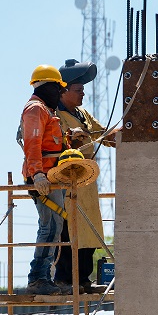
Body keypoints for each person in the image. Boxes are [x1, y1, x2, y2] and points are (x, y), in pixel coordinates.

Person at [53, 59, 117, 294]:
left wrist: (126, 129)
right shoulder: (55, 116)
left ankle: (83, 279)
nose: (83, 94)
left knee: (89, 230)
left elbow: (104, 135)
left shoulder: (82, 114)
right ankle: (65, 279)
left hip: (86, 182)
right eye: (78, 90)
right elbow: (57, 142)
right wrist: (74, 135)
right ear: (63, 91)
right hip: (65, 181)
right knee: (68, 231)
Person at [20, 65, 68, 295]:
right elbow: (32, 143)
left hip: (52, 177)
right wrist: (37, 173)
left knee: (55, 226)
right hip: (44, 178)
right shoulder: (35, 109)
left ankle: (43, 276)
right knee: (49, 226)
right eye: (58, 88)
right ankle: (38, 277)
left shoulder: (46, 111)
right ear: (47, 86)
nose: (60, 93)